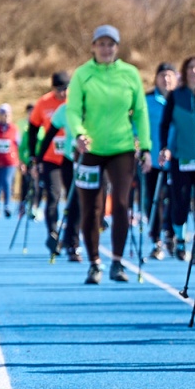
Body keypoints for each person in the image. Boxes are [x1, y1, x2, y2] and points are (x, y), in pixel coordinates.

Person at [66, 25, 152, 284]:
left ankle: (117, 261)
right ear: (93, 46)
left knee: (122, 205)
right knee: (91, 208)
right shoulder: (83, 74)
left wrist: (145, 147)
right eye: (101, 44)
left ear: (117, 47)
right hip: (90, 149)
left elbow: (140, 112)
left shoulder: (129, 73)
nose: (106, 49)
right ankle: (94, 263)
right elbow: (72, 110)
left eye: (111, 44)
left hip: (122, 149)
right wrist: (78, 134)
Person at [158, 56, 195, 261]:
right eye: (190, 68)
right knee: (181, 203)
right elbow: (164, 124)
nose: (194, 71)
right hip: (181, 158)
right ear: (184, 72)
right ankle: (181, 240)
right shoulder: (176, 96)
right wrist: (165, 147)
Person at [30, 73, 79, 259]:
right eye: (58, 89)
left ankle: (70, 239)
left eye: (66, 89)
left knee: (74, 198)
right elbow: (34, 128)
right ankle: (53, 233)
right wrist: (35, 157)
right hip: (51, 158)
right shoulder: (43, 103)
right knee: (53, 195)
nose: (62, 93)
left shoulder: (76, 103)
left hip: (71, 158)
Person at [144, 63, 178, 258]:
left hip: (177, 157)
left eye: (170, 76)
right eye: (162, 76)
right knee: (153, 199)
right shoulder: (147, 100)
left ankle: (172, 235)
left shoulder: (182, 99)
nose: (166, 80)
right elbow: (137, 124)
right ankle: (155, 238)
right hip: (154, 158)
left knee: (175, 199)